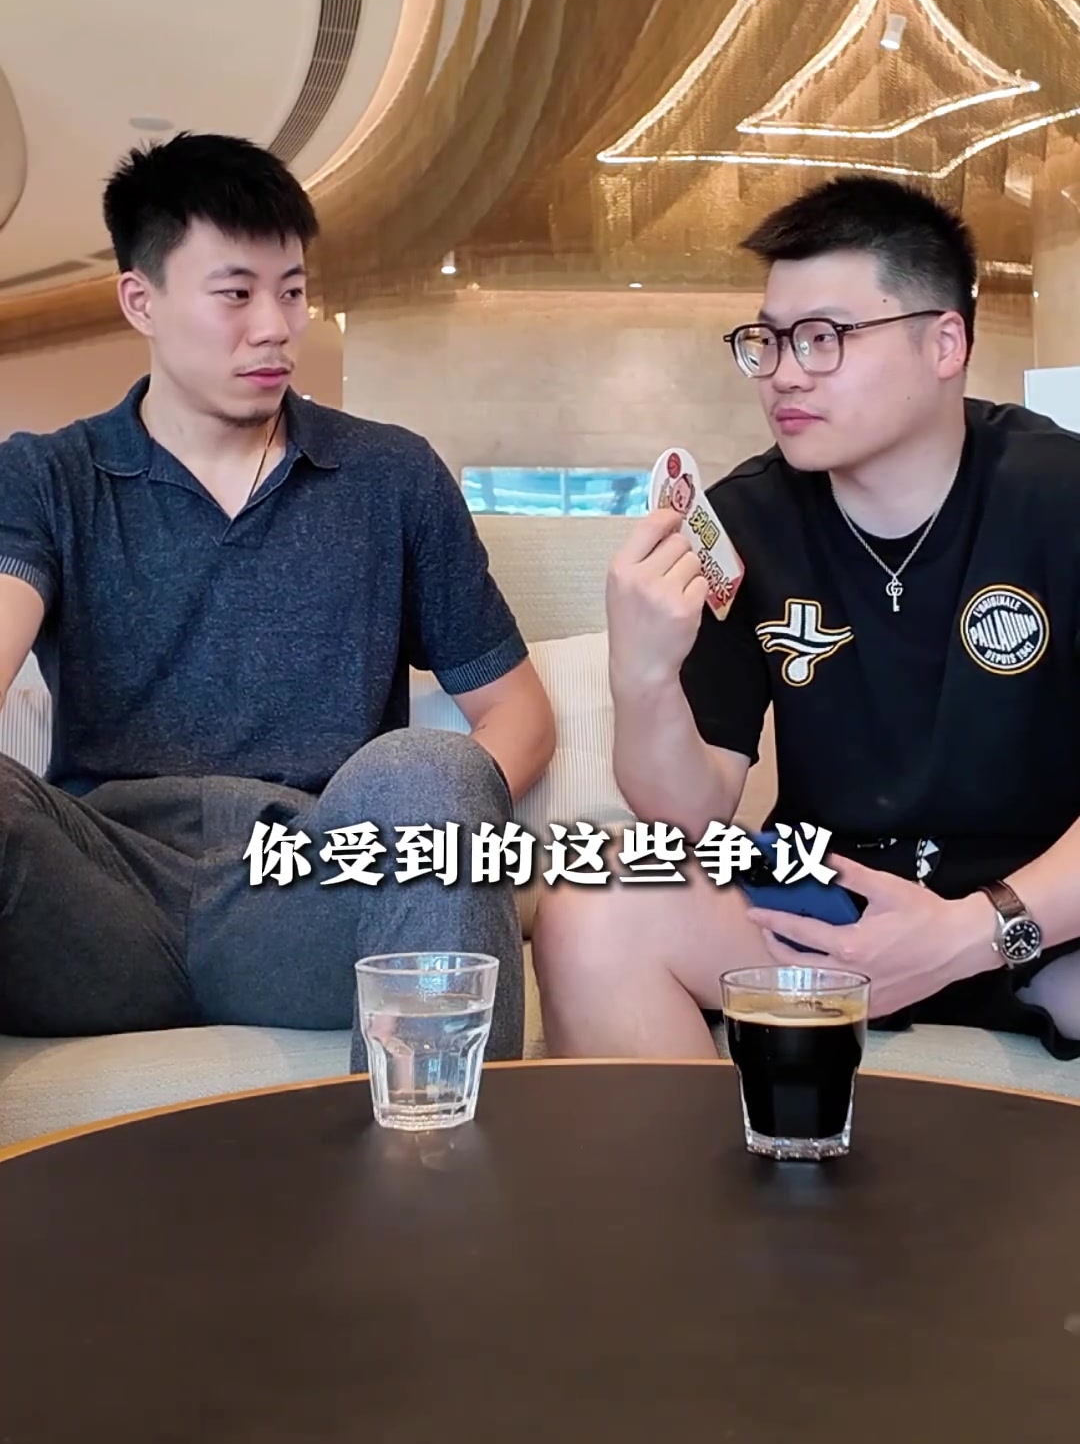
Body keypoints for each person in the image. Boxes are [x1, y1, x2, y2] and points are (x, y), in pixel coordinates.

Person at [0, 132, 555, 1064]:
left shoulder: (390, 476)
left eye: (292, 291)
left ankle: (438, 1159)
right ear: (141, 300)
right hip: (95, 893)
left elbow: (519, 716)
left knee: (435, 766)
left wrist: (430, 836)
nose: (275, 327)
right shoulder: (47, 476)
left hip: (311, 886)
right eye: (236, 294)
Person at [533, 174, 1080, 1060]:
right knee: (595, 907)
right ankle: (696, 1163)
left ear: (945, 343)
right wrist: (643, 674)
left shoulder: (1058, 494)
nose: (785, 373)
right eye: (768, 340)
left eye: (825, 339)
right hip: (825, 908)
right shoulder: (743, 522)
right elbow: (691, 820)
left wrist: (972, 931)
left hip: (1035, 912)